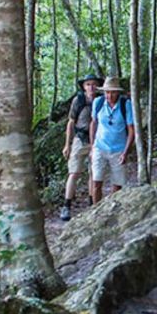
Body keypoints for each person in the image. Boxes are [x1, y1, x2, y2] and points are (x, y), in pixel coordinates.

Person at [60, 73, 102, 221]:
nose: (91, 87)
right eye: (88, 84)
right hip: (80, 139)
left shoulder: (101, 100)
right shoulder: (78, 100)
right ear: (84, 86)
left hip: (97, 141)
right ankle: (66, 205)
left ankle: (92, 204)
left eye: (94, 84)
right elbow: (71, 122)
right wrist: (68, 144)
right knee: (74, 173)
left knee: (94, 173)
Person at [90, 77, 135, 204]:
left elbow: (131, 130)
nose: (109, 95)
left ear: (118, 92)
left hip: (118, 150)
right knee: (96, 182)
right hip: (100, 147)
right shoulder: (98, 103)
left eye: (113, 92)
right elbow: (93, 123)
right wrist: (92, 146)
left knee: (117, 185)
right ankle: (95, 211)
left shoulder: (126, 105)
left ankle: (111, 209)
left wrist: (125, 152)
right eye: (107, 92)